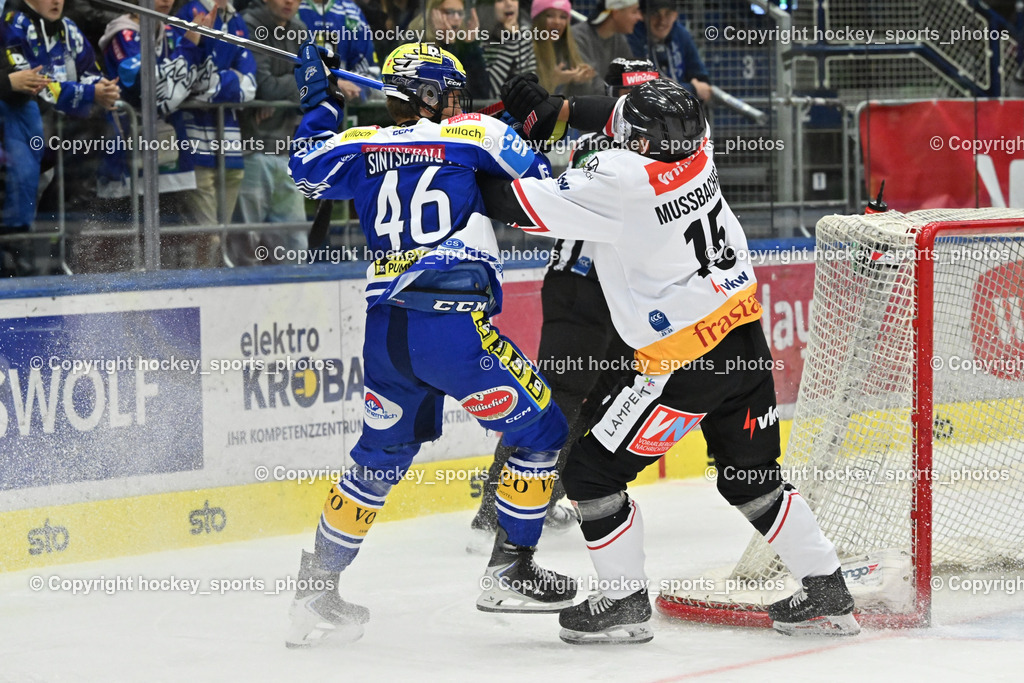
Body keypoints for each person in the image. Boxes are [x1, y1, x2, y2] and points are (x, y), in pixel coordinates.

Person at [481, 74, 860, 643]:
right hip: (743, 340)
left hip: (679, 361)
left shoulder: (618, 178)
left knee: (589, 472)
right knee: (752, 479)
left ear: (637, 139)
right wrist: (562, 108)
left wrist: (451, 156)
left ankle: (623, 602)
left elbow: (511, 203)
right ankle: (827, 591)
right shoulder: (700, 147)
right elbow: (623, 117)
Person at [284, 41, 576, 647]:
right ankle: (511, 569)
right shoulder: (475, 134)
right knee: (543, 431)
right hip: (453, 329)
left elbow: (305, 170)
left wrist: (318, 99)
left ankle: (315, 590)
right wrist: (521, 128)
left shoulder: (360, 143)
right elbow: (544, 188)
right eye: (451, 93)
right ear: (430, 94)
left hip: (386, 333)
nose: (458, 103)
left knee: (377, 460)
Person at [466, 57, 658, 553]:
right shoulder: (606, 146)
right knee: (558, 399)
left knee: (599, 399)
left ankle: (544, 494)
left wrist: (546, 112)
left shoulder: (654, 143)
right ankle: (496, 509)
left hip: (619, 293)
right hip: (580, 286)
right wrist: (537, 114)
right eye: (631, 95)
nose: (641, 105)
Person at [85, 0, 210, 273]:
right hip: (128, 147)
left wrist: (195, 46)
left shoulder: (171, 31)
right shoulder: (123, 34)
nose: (165, 1)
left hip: (168, 149)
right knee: (124, 232)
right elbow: (149, 86)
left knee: (169, 234)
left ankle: (168, 288)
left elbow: (202, 81)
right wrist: (188, 48)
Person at [0, 0, 120, 275]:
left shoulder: (68, 28)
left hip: (61, 132)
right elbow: (33, 83)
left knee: (91, 149)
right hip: (26, 129)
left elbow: (91, 73)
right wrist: (90, 94)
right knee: (21, 191)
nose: (57, 1)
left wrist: (102, 89)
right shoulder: (13, 24)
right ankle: (16, 259)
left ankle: (56, 251)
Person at [172, 0, 257, 269]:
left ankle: (211, 284)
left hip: (231, 147)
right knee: (208, 238)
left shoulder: (237, 19)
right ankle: (200, 285)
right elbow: (191, 81)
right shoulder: (190, 13)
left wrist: (217, 84)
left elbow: (251, 85)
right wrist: (230, 80)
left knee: (220, 237)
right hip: (195, 143)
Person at [230, 0, 309, 266]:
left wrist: (281, 96)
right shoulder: (248, 24)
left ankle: (297, 293)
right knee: (245, 248)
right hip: (251, 148)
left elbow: (315, 83)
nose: (289, 2)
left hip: (287, 149)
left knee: (294, 248)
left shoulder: (300, 29)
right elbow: (263, 87)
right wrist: (294, 89)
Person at [627, 0, 710, 101]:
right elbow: (641, 86)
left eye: (668, 13)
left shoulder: (680, 33)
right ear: (643, 15)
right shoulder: (632, 35)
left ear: (675, 15)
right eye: (655, 13)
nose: (662, 21)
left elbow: (703, 82)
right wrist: (691, 89)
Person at [299, 0, 380, 102]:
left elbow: (368, 67)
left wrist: (355, 88)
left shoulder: (352, 13)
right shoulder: (292, 9)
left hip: (343, 103)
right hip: (298, 102)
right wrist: (330, 84)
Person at [407, 0, 489, 99]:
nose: (456, 18)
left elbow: (482, 94)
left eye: (460, 13)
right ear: (432, 13)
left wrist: (471, 46)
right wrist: (447, 46)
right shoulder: (415, 44)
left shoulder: (461, 45)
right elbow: (440, 91)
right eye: (449, 12)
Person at [570, 0, 641, 96]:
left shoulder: (619, 39)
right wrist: (618, 92)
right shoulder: (577, 37)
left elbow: (631, 74)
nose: (639, 17)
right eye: (634, 12)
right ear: (616, 13)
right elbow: (590, 82)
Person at [529, 0, 593, 95]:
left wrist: (580, 80)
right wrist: (554, 81)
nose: (557, 22)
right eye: (550, 15)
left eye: (563, 17)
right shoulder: (526, 49)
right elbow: (525, 98)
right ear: (538, 18)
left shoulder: (568, 48)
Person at [481, 0, 536, 98]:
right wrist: (510, 40)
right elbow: (489, 92)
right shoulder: (482, 40)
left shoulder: (525, 35)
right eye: (500, 0)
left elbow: (532, 85)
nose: (509, 3)